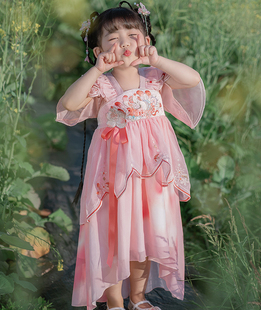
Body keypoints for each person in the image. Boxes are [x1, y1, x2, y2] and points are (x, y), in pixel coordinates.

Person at [56, 1, 205, 310]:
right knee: (116, 238)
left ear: (146, 42)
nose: (124, 43)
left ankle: (137, 297)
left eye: (132, 34)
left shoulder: (155, 77)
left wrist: (159, 59)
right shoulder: (103, 85)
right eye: (113, 37)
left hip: (152, 179)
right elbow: (69, 103)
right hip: (115, 179)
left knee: (145, 239)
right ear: (99, 51)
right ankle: (113, 302)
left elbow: (192, 79)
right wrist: (97, 70)